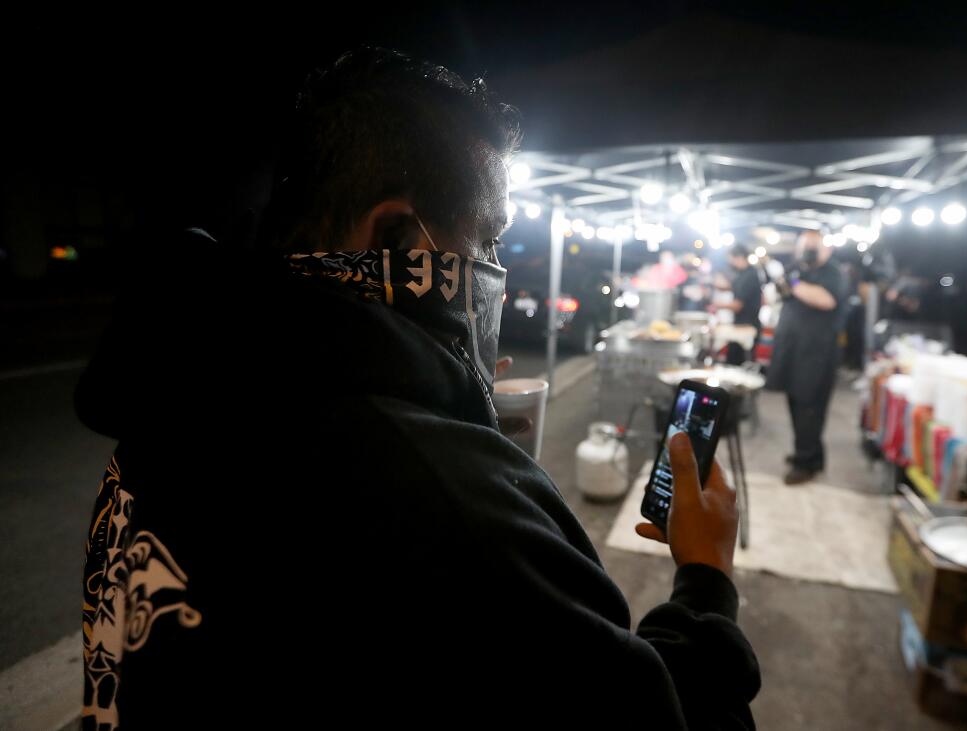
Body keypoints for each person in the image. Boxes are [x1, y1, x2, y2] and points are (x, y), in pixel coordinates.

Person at [74, 48, 758, 729]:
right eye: (488, 240)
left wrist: (451, 433)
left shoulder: (164, 411)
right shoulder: (441, 495)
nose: (494, 269)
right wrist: (704, 580)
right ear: (399, 238)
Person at [765, 231, 845, 484]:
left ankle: (805, 463)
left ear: (827, 249)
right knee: (796, 405)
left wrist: (795, 285)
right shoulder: (796, 269)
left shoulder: (833, 273)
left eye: (814, 247)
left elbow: (826, 300)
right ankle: (811, 456)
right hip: (793, 351)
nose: (808, 251)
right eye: (804, 247)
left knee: (810, 408)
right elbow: (780, 291)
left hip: (816, 354)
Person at [711, 244, 763, 365]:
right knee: (731, 361)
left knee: (739, 366)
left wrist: (717, 305)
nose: (729, 262)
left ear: (739, 257)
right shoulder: (742, 274)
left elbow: (737, 305)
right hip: (739, 325)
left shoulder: (750, 275)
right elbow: (731, 287)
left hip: (747, 327)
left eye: (730, 258)